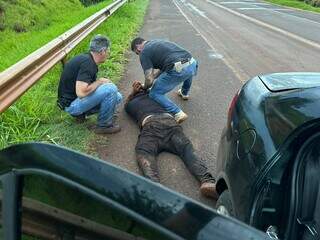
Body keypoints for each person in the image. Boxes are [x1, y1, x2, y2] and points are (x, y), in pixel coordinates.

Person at [125, 81, 218, 199]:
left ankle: (154, 184)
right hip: (170, 123)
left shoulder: (131, 103)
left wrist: (133, 93)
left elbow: (127, 103)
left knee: (144, 151)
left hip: (151, 126)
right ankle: (207, 181)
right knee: (186, 149)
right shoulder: (158, 98)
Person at [57, 34, 122, 134]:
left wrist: (99, 83)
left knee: (117, 97)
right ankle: (104, 125)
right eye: (108, 51)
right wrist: (99, 82)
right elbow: (81, 93)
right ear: (102, 51)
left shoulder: (87, 58)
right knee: (111, 89)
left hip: (71, 101)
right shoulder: (88, 64)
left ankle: (81, 115)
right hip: (71, 105)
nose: (108, 53)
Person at [131, 37, 198, 124]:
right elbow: (164, 66)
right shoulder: (157, 42)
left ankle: (177, 113)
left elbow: (148, 79)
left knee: (155, 93)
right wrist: (154, 76)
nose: (139, 55)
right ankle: (184, 93)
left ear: (138, 47)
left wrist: (145, 87)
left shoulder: (144, 53)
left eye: (137, 53)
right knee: (187, 72)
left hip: (179, 69)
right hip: (192, 63)